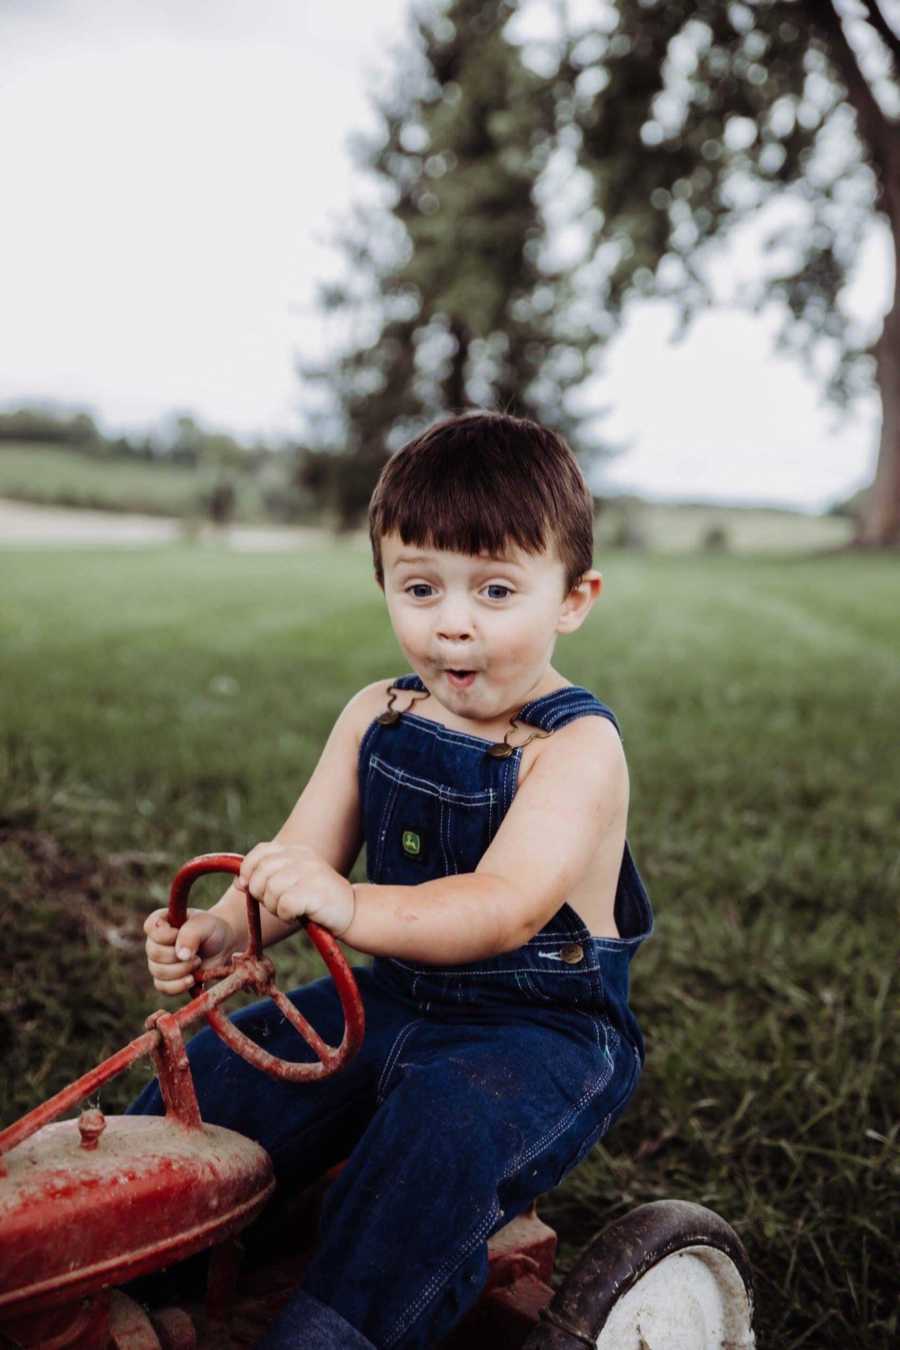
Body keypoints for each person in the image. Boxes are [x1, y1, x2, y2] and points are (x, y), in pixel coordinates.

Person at [131, 409, 654, 1350]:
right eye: (421, 587)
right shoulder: (377, 713)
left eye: (496, 590)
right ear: (384, 584)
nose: (453, 623)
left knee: (438, 1142)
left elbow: (499, 907)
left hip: (540, 1033)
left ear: (573, 598)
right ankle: (133, 1273)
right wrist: (221, 930)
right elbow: (298, 859)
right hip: (393, 997)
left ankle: (339, 1330)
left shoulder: (575, 750)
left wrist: (353, 906)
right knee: (215, 1073)